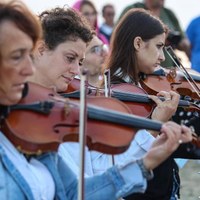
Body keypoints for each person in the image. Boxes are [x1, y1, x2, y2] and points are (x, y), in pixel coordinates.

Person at [0, 2, 193, 200]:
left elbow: (77, 191)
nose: (77, 71)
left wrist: (146, 162)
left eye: (80, 61)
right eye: (17, 56)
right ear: (40, 50)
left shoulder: (40, 125)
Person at [58, 8, 198, 200]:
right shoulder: (113, 95)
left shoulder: (144, 89)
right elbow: (111, 165)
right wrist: (154, 127)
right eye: (158, 46)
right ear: (138, 43)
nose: (162, 57)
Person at [118, 0, 191, 69]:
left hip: (167, 71)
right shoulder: (133, 9)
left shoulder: (169, 13)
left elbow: (183, 41)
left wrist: (175, 41)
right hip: (138, 69)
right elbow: (121, 36)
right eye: (159, 46)